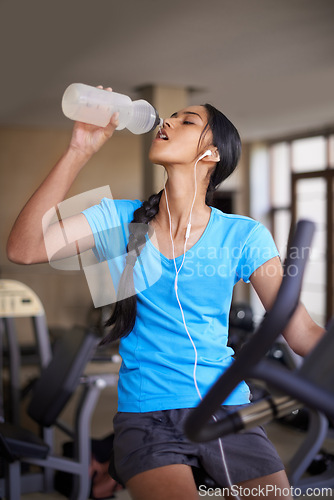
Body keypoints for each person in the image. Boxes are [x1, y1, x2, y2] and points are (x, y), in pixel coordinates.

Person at [7, 88, 324, 500]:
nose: (168, 122)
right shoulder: (117, 217)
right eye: (170, 116)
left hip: (225, 407)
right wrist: (78, 150)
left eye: (187, 120)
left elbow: (299, 332)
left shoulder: (242, 234)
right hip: (146, 413)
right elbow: (24, 248)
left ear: (211, 155)